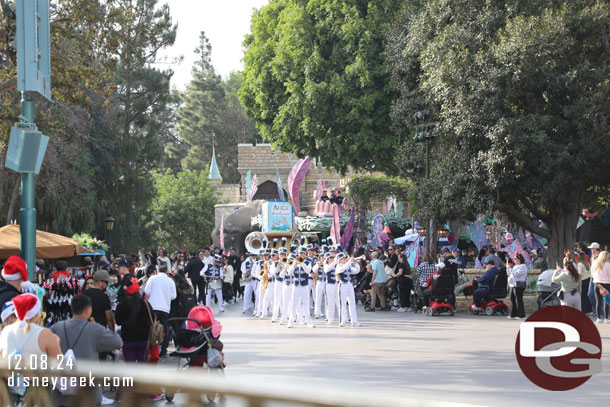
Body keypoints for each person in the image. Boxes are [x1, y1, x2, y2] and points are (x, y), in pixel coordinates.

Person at [51, 295, 122, 406]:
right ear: (88, 310)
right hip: (89, 393)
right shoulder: (95, 329)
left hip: (61, 393)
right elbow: (118, 342)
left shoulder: (56, 327)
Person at [115, 278, 152, 364]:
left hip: (128, 340)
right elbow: (152, 319)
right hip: (144, 340)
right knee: (142, 368)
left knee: (130, 369)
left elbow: (118, 321)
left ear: (126, 292)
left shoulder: (121, 305)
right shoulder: (146, 304)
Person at [143, 264, 176, 358]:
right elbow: (174, 296)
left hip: (152, 307)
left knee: (151, 327)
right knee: (164, 329)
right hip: (165, 307)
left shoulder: (153, 278)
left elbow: (147, 291)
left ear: (158, 270)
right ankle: (163, 350)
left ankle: (151, 347)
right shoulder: (170, 281)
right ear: (166, 271)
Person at [288, 247, 316, 328]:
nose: (301, 254)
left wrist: (302, 263)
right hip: (296, 286)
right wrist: (294, 265)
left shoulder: (308, 262)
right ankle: (291, 321)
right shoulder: (294, 262)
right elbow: (289, 273)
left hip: (304, 286)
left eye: (302, 253)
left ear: (305, 254)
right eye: (299, 253)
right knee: (293, 304)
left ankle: (309, 321)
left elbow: (308, 271)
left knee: (306, 304)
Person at [336, 253, 360, 327]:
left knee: (352, 303)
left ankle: (354, 321)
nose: (344, 260)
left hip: (349, 285)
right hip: (342, 285)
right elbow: (342, 269)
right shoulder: (338, 266)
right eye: (342, 259)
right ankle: (342, 321)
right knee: (342, 304)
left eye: (344, 258)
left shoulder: (348, 266)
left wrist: (355, 263)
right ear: (339, 260)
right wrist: (349, 261)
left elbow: (356, 271)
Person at [507, 254, 528, 319]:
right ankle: (513, 314)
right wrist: (508, 268)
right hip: (513, 284)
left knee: (519, 299)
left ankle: (521, 314)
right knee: (512, 298)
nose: (514, 260)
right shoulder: (515, 266)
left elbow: (515, 274)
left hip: (519, 284)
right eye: (514, 259)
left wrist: (510, 269)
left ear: (520, 259)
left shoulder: (523, 267)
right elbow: (509, 273)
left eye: (516, 259)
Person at [592, 250, 610, 323]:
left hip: (597, 283)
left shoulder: (594, 263)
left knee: (598, 301)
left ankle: (598, 318)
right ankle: (606, 318)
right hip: (607, 283)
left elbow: (592, 273)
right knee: (606, 301)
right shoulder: (608, 264)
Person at [589, 243, 602, 319]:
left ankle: (600, 313)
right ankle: (597, 311)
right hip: (592, 277)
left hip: (598, 278)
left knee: (598, 296)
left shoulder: (600, 257)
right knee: (590, 294)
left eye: (592, 248)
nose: (591, 249)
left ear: (595, 248)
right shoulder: (592, 256)